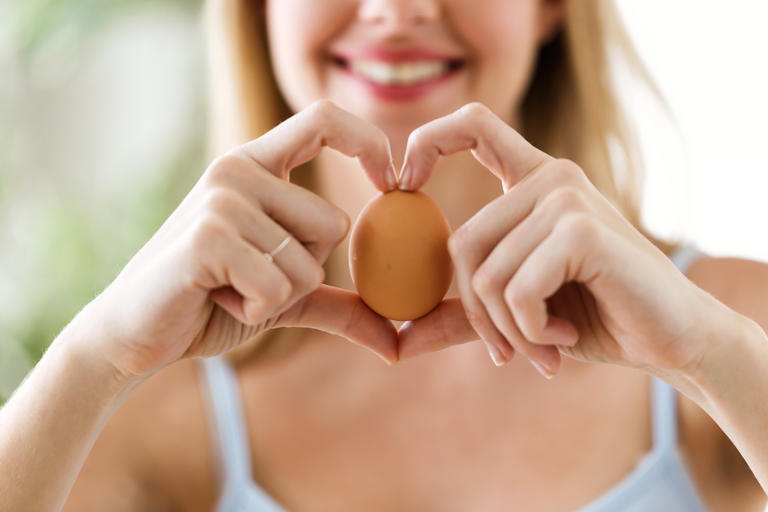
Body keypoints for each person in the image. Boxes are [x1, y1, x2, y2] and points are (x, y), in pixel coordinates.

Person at [1, 0, 767, 510]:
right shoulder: (156, 403)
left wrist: (712, 358)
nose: (397, 11)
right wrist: (93, 362)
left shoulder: (731, 327)